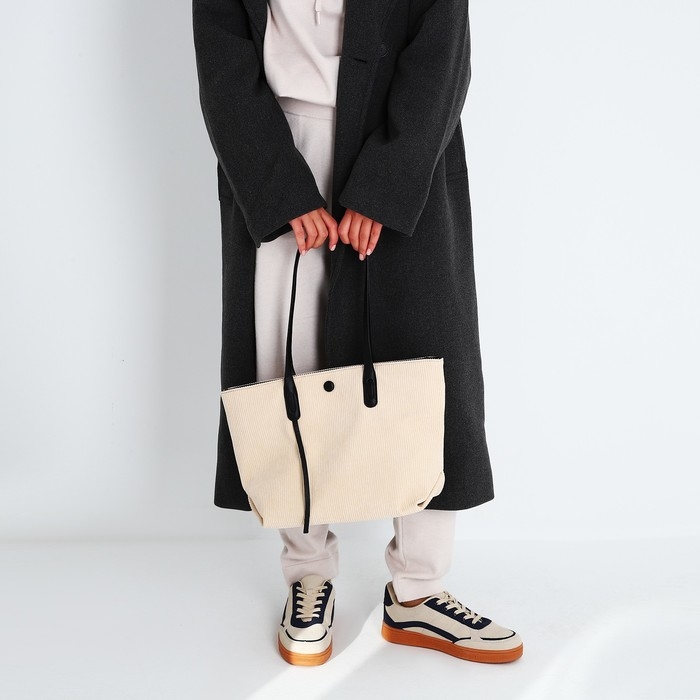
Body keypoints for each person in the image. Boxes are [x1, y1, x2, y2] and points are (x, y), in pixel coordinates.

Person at [192, 0, 523, 666]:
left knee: (423, 365)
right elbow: (223, 57)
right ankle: (307, 574)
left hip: (399, 144)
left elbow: (442, 48)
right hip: (280, 144)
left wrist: (387, 182)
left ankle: (419, 589)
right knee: (287, 361)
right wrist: (277, 186)